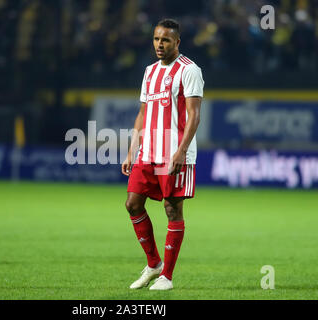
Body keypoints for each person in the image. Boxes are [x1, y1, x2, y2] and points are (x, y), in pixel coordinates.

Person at [122, 19, 204, 290]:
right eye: (157, 39)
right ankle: (153, 263)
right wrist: (132, 149)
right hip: (148, 152)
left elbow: (194, 115)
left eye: (166, 40)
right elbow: (143, 114)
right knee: (133, 203)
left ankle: (166, 276)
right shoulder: (149, 71)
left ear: (177, 42)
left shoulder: (189, 70)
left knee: (172, 208)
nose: (160, 44)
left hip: (174, 154)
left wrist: (181, 151)